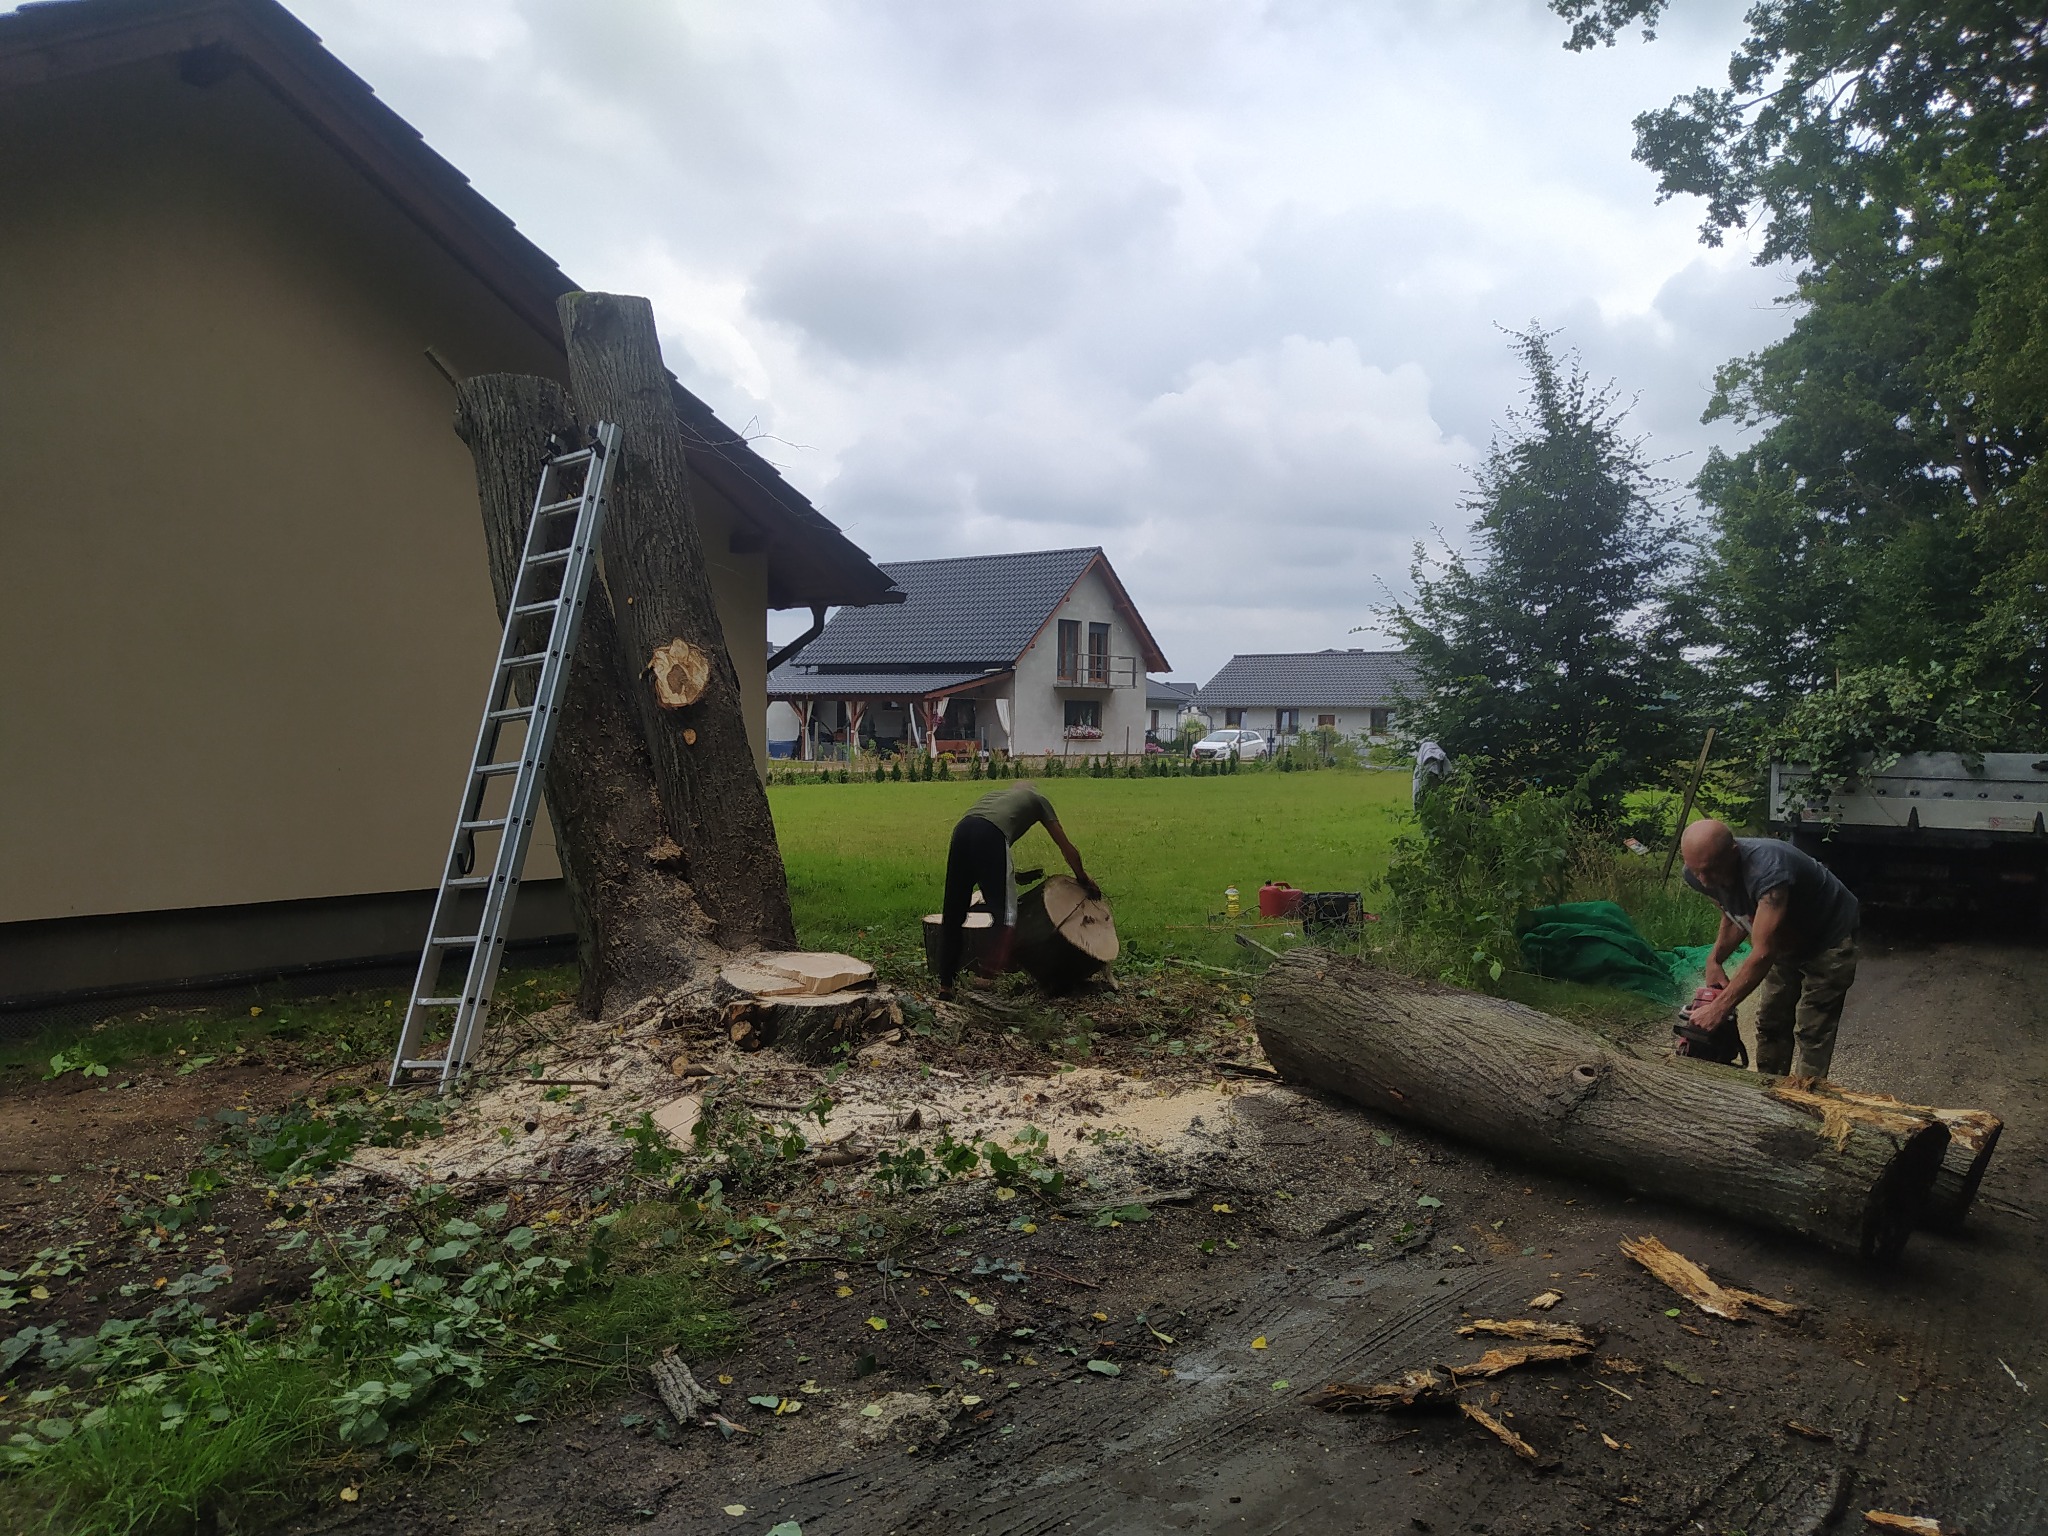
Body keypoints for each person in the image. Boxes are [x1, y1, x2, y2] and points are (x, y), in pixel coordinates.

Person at [1678, 818, 1860, 1079]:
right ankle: (1768, 1089)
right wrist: (1715, 959)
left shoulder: (1769, 870)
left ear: (1733, 853)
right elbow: (1735, 913)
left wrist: (1720, 1008)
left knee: (1813, 1029)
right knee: (1772, 1022)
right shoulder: (1698, 874)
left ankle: (1807, 1098)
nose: (1705, 881)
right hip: (1784, 938)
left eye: (1710, 870)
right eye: (1697, 872)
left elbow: (1764, 952)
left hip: (1828, 937)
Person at [937, 780, 1097, 998]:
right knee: (1007, 917)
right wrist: (1083, 877)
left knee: (954, 912)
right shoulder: (1039, 801)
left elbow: (981, 847)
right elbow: (1065, 847)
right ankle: (986, 978)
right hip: (991, 835)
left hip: (962, 830)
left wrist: (1009, 873)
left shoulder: (994, 797)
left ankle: (945, 984)